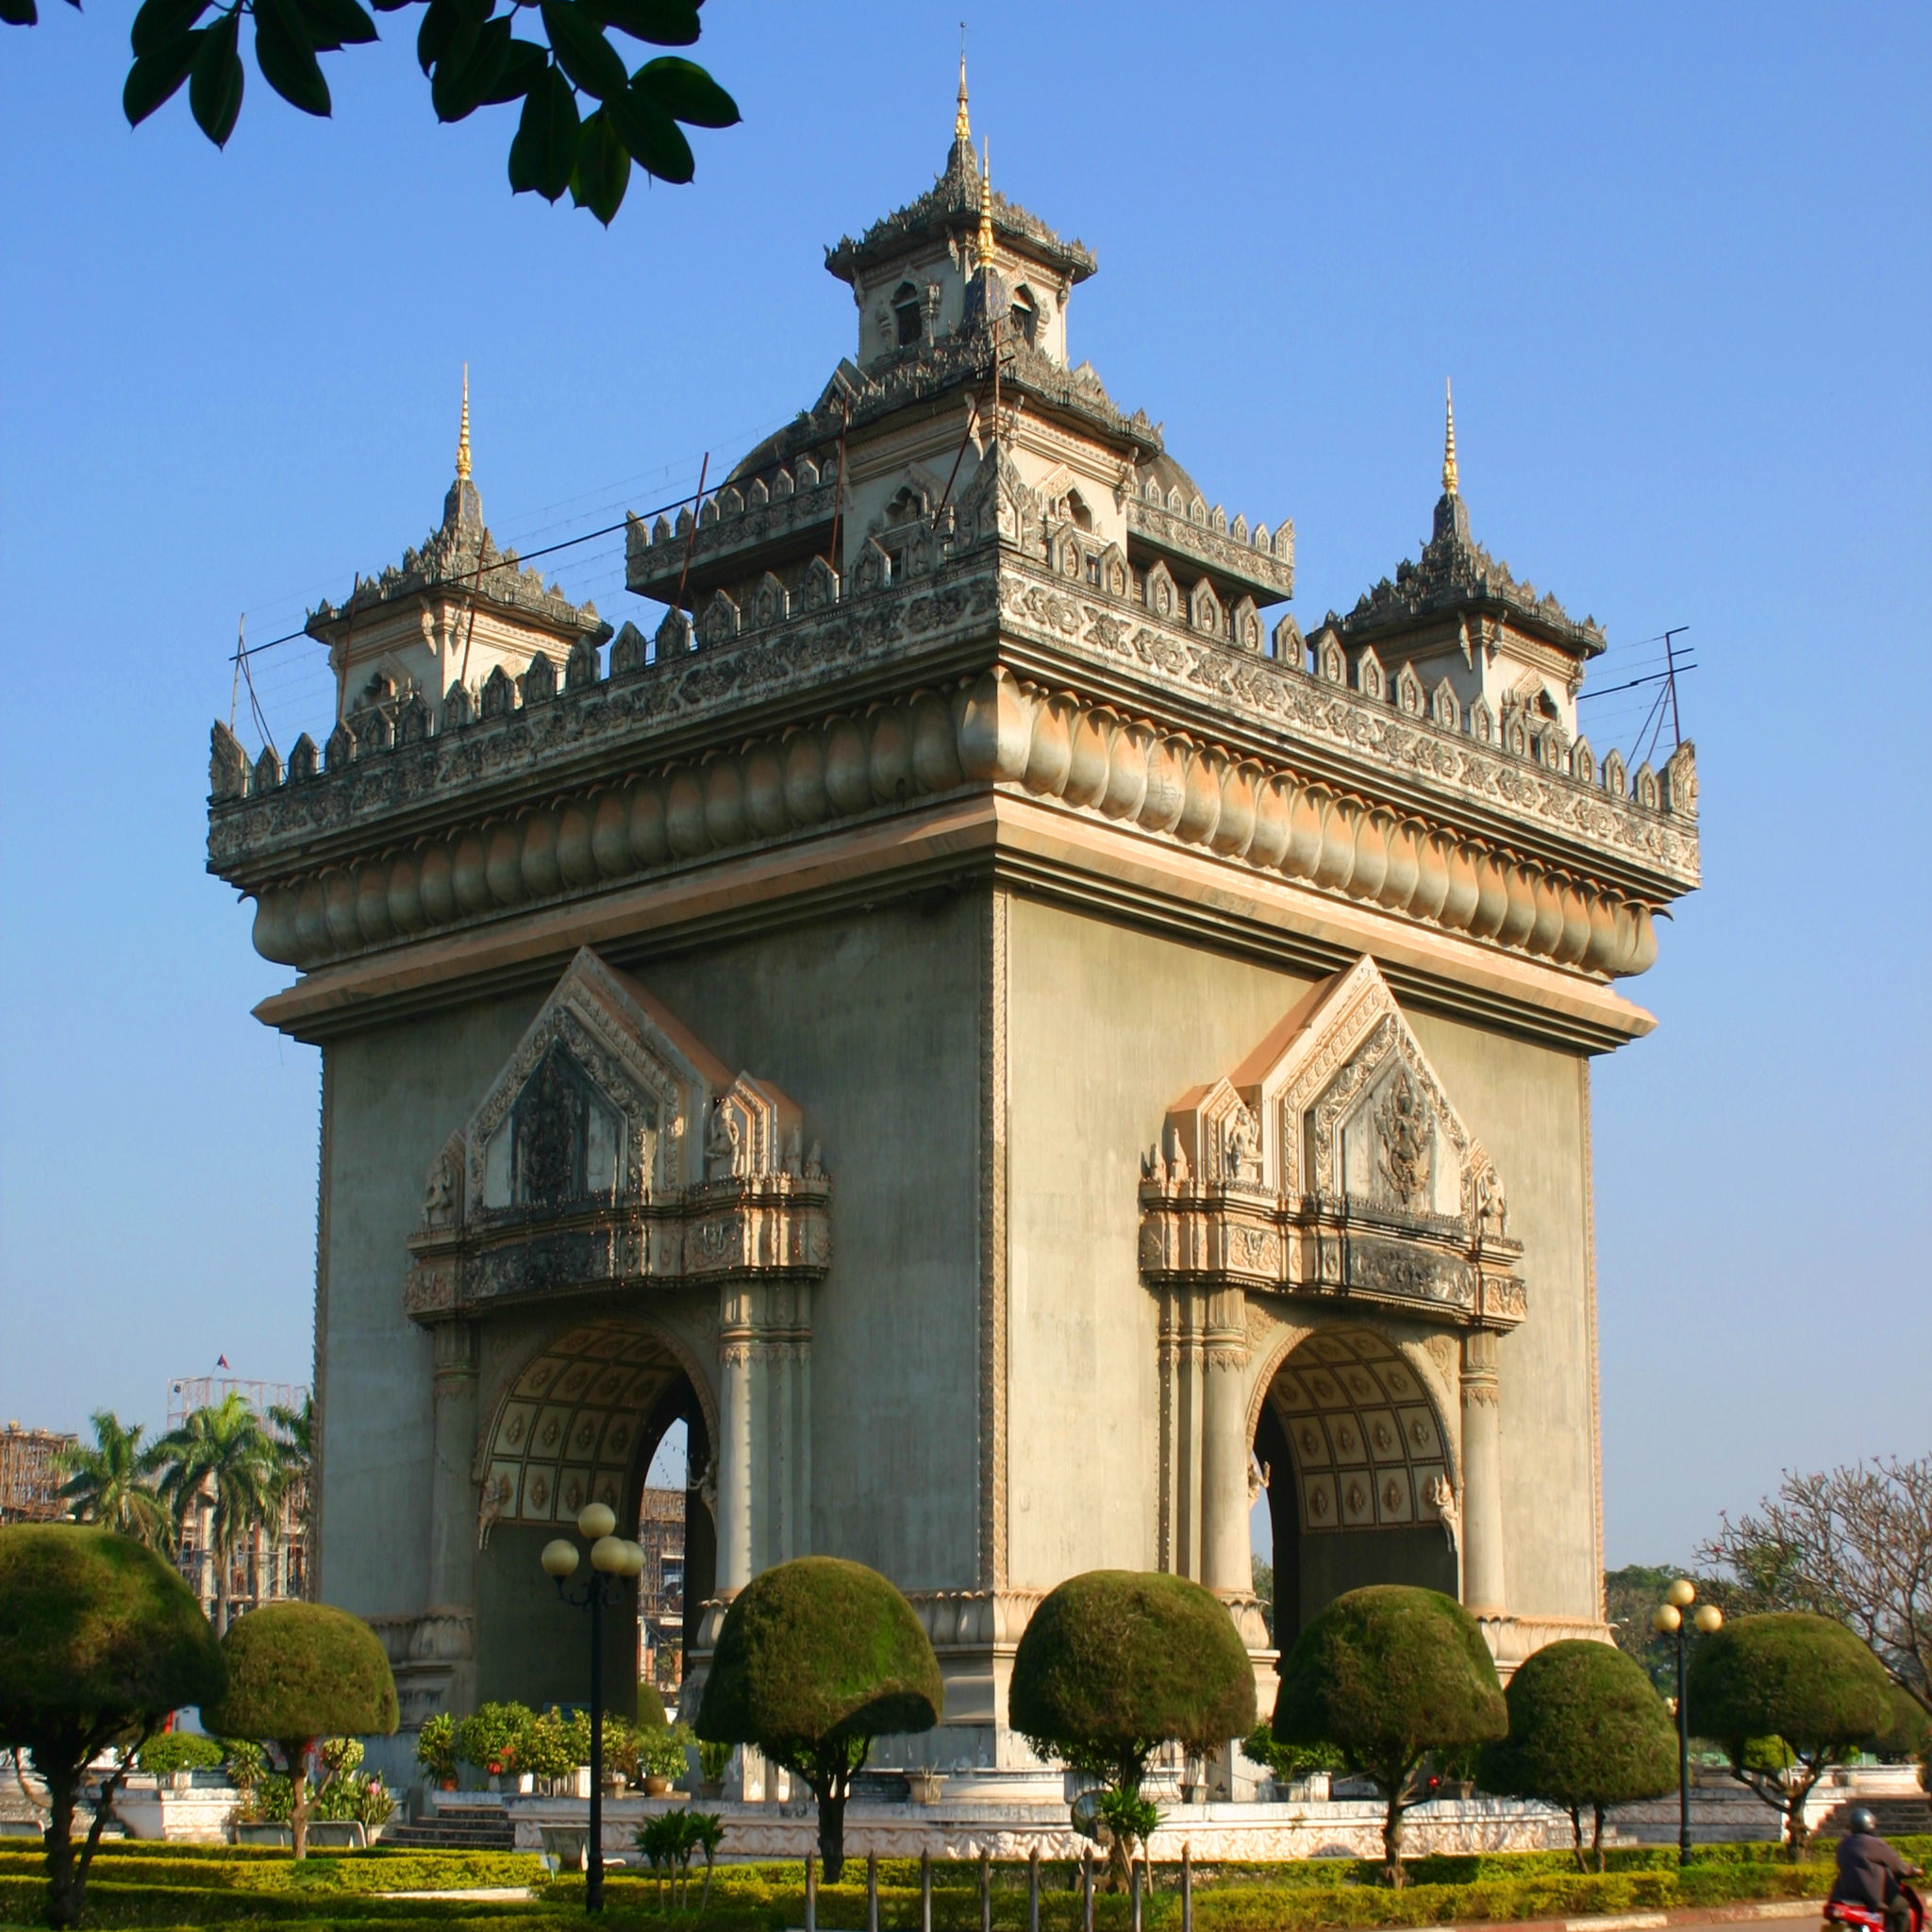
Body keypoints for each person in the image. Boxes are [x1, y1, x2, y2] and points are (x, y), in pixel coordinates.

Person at [1829, 1807, 1924, 1932]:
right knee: (1902, 1906)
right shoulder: (1875, 1844)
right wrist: (1915, 1871)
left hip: (1844, 1894)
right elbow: (1899, 1867)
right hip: (1869, 1894)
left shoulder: (1843, 1844)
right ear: (1871, 1825)